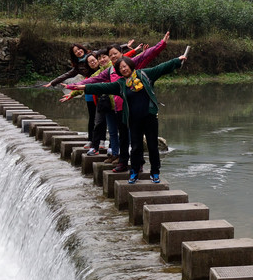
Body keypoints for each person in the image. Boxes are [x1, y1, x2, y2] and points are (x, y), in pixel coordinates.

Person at [67, 49, 185, 184]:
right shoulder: (121, 84)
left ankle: (155, 172)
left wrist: (177, 60)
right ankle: (134, 172)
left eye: (125, 66)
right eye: (120, 68)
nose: (123, 69)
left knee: (152, 146)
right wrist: (79, 87)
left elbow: (161, 68)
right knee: (135, 147)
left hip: (150, 118)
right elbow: (100, 87)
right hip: (133, 120)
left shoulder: (145, 75)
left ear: (130, 65)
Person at [78, 32, 170, 163]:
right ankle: (121, 158)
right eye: (109, 55)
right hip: (115, 107)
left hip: (131, 107)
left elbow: (147, 55)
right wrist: (74, 88)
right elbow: (93, 81)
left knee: (133, 136)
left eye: (113, 54)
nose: (111, 57)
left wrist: (162, 44)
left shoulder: (129, 65)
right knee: (119, 135)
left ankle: (137, 163)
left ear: (122, 53)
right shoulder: (108, 71)